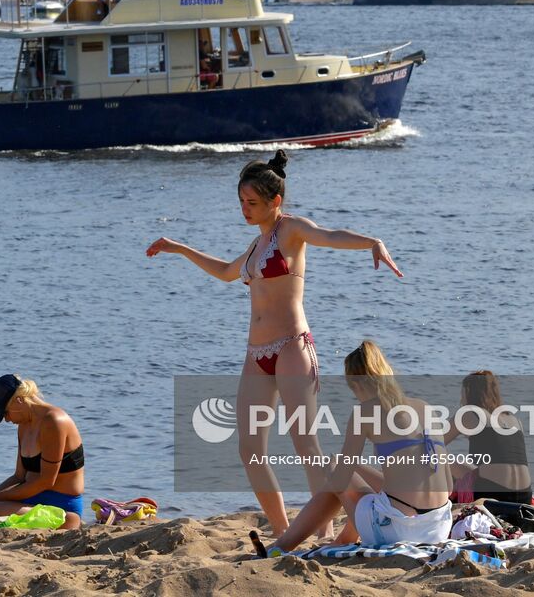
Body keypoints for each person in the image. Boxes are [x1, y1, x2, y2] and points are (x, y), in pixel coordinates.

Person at [146, 151, 403, 536]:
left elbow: (329, 235)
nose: (245, 210)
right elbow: (225, 272)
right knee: (249, 450)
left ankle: (324, 534)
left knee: (306, 444)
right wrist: (180, 248)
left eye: (252, 203)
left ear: (274, 201)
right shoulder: (255, 245)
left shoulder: (291, 231)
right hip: (256, 354)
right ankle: (285, 532)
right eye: (241, 203)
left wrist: (371, 242)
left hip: (292, 348)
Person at [254, 341, 452, 555]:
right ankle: (338, 539)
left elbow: (340, 480)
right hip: (439, 527)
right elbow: (448, 486)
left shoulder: (365, 412)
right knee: (364, 480)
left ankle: (284, 545)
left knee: (334, 467)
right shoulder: (425, 407)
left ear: (356, 385)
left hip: (396, 531)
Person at [0, 374, 86, 528]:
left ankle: (68, 522)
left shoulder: (54, 421)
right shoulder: (23, 426)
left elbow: (46, 481)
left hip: (61, 507)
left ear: (19, 400)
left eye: (5, 413)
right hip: (30, 499)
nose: (6, 420)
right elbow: (19, 476)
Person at [443, 370, 533, 505]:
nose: (461, 400)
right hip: (524, 496)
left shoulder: (469, 413)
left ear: (469, 391)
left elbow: (434, 443)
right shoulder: (514, 420)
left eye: (462, 393)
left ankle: (435, 504)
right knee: (462, 463)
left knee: (439, 457)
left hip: (493, 495)